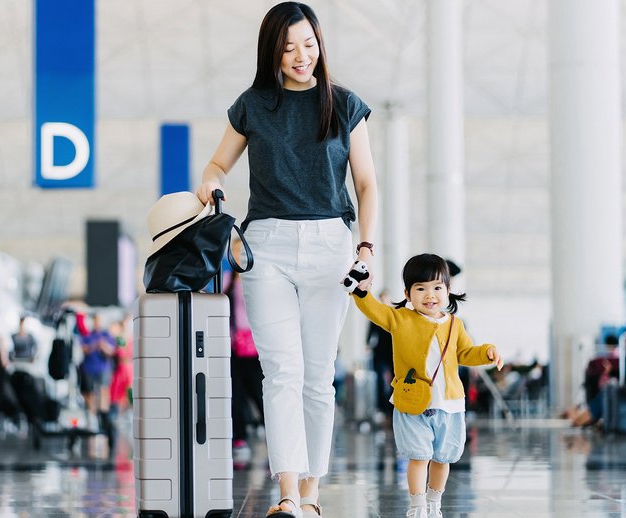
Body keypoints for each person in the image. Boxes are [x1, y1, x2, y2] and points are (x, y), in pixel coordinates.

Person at [195, 3, 379, 515]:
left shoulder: (344, 104)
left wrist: (366, 245)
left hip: (330, 246)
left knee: (318, 376)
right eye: (289, 46)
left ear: (320, 45)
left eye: (309, 44)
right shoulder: (253, 105)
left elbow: (366, 184)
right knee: (280, 372)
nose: (302, 56)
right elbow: (216, 163)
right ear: (272, 51)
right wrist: (212, 183)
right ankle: (287, 496)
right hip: (267, 246)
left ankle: (313, 494)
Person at [350, 254, 503, 518]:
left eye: (437, 288)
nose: (429, 295)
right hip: (413, 404)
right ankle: (417, 506)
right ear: (408, 294)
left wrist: (486, 352)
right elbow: (374, 310)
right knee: (418, 456)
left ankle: (434, 503)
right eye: (420, 288)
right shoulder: (400, 319)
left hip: (450, 405)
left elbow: (465, 353)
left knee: (443, 459)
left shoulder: (456, 324)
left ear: (447, 290)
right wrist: (360, 292)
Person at [223, 238, 265, 466]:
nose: (238, 256)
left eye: (241, 251)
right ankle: (239, 437)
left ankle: (274, 435)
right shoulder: (228, 281)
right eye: (235, 251)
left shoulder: (257, 279)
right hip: (233, 345)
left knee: (259, 392)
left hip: (254, 345)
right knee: (235, 394)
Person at [79, 314, 115, 433]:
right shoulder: (88, 336)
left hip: (103, 369)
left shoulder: (107, 335)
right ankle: (91, 417)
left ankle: (104, 419)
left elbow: (111, 351)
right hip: (89, 368)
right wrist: (95, 345)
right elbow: (84, 349)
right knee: (89, 394)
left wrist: (102, 345)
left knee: (103, 392)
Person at [367, 290, 394, 422]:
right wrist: (367, 344)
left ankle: (393, 406)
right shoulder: (376, 314)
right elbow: (370, 332)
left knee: (395, 380)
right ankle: (381, 408)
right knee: (379, 380)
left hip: (392, 351)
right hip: (379, 352)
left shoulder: (393, 313)